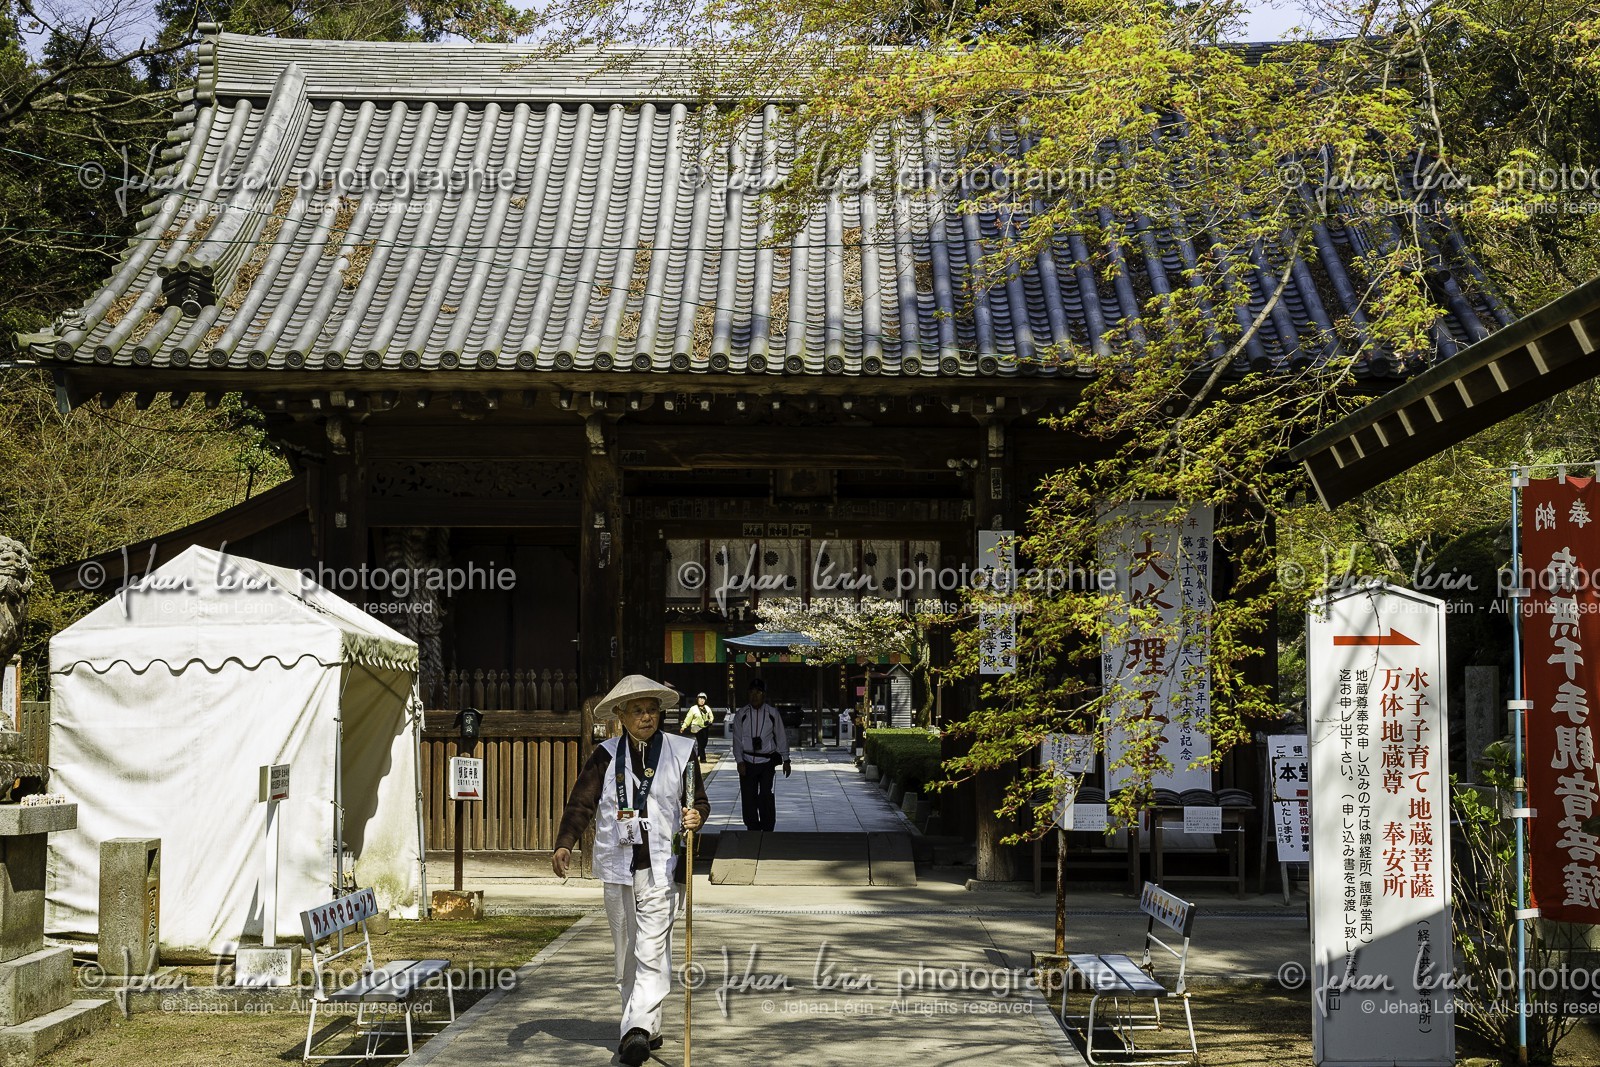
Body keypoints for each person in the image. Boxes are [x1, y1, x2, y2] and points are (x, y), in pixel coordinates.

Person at [552, 675, 710, 1066]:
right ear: (620, 715)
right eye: (637, 710)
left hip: (663, 866)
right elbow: (581, 804)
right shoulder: (605, 755)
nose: (646, 717)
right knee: (626, 954)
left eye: (652, 710)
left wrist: (696, 816)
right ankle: (645, 1027)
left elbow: (699, 801)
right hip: (618, 866)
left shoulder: (682, 751)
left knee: (651, 948)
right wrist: (564, 843)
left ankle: (634, 1030)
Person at [729, 678, 790, 832]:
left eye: (758, 692)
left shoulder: (772, 713)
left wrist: (786, 759)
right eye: (751, 692)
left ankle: (768, 825)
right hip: (747, 760)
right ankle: (752, 826)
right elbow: (736, 739)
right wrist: (739, 761)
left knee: (765, 794)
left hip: (767, 761)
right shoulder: (741, 714)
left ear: (764, 695)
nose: (754, 696)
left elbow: (781, 736)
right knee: (748, 797)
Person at [680, 691, 715, 763]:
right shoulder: (693, 708)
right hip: (696, 727)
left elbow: (711, 716)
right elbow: (688, 718)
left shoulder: (707, 708)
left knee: (704, 742)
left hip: (705, 727)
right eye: (700, 699)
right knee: (700, 742)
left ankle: (697, 754)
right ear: (697, 699)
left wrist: (710, 721)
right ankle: (703, 759)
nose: (702, 700)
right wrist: (684, 726)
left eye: (703, 699)